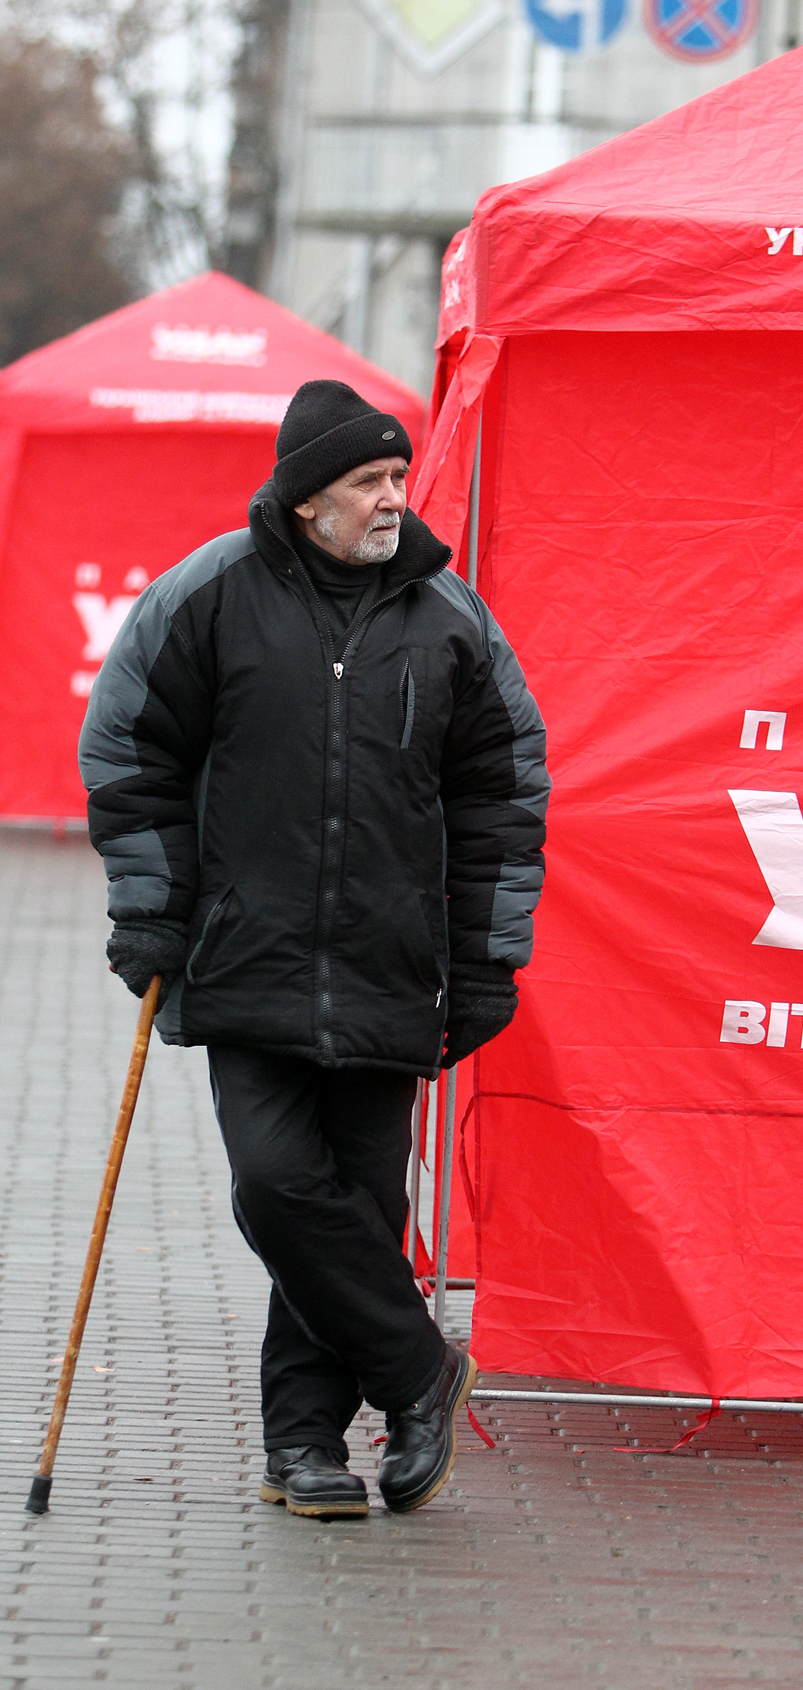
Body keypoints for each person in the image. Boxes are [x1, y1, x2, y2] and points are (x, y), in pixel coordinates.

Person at [79, 380, 549, 1520]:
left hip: (392, 965)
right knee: (278, 1185)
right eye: (367, 481)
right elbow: (128, 747)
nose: (392, 498)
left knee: (360, 1206)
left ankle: (305, 1448)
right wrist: (151, 908)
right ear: (304, 499)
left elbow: (504, 788)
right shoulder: (209, 595)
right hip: (249, 956)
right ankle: (418, 1370)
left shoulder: (449, 616)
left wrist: (486, 959)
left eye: (397, 477)